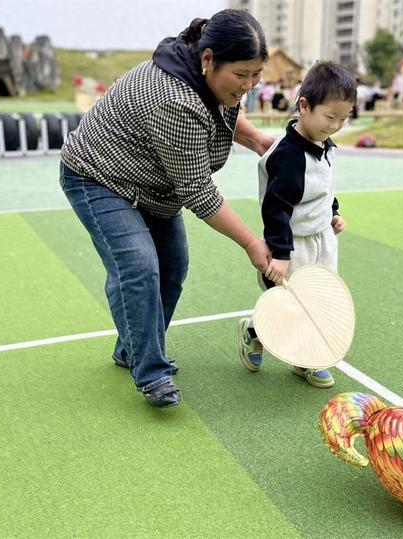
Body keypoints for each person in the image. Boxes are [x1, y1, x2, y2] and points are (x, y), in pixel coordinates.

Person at [60, 9, 274, 409]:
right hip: (98, 177)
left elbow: (227, 111)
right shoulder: (175, 99)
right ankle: (151, 372)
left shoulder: (208, 76)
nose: (247, 85)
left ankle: (132, 348)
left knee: (173, 267)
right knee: (138, 266)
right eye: (241, 74)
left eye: (256, 74)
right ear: (208, 59)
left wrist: (258, 141)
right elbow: (197, 190)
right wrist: (251, 244)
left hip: (154, 184)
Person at [237, 62, 356, 388]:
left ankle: (308, 360)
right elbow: (276, 209)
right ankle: (255, 330)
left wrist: (332, 213)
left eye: (344, 118)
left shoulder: (325, 146)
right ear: (304, 106)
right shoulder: (288, 157)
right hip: (294, 244)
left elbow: (323, 188)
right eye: (330, 117)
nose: (336, 125)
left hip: (322, 239)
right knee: (290, 304)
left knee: (319, 299)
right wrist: (280, 253)